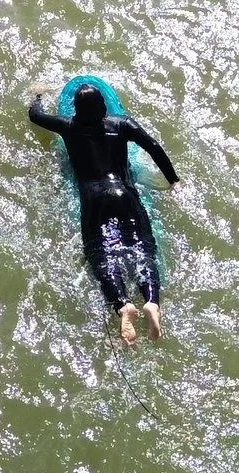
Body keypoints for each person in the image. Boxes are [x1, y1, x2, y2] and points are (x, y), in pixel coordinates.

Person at [27, 81, 180, 344]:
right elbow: (153, 146)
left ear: (76, 108)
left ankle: (123, 306)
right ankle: (152, 303)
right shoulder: (121, 123)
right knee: (143, 247)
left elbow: (35, 116)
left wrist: (38, 95)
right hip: (125, 194)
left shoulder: (68, 126)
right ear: (104, 106)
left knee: (101, 253)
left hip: (93, 199)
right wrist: (173, 180)